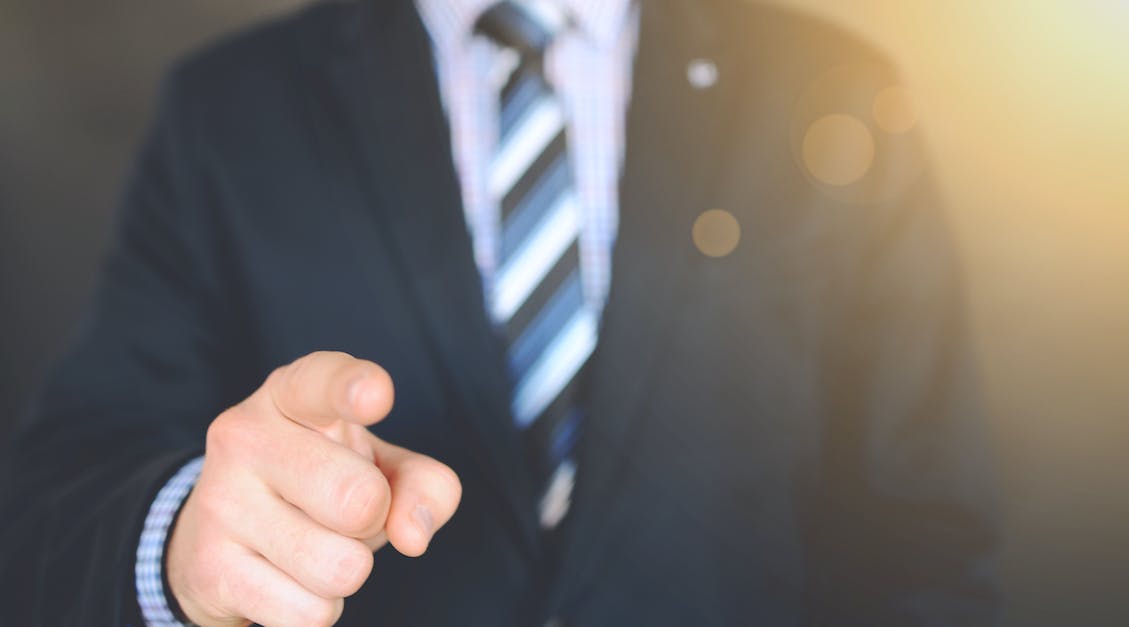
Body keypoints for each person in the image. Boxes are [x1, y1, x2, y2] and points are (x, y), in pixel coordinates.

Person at [0, 0, 999, 625]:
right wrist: (185, 542)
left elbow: (927, 532)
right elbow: (61, 494)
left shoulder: (831, 88)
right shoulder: (230, 110)